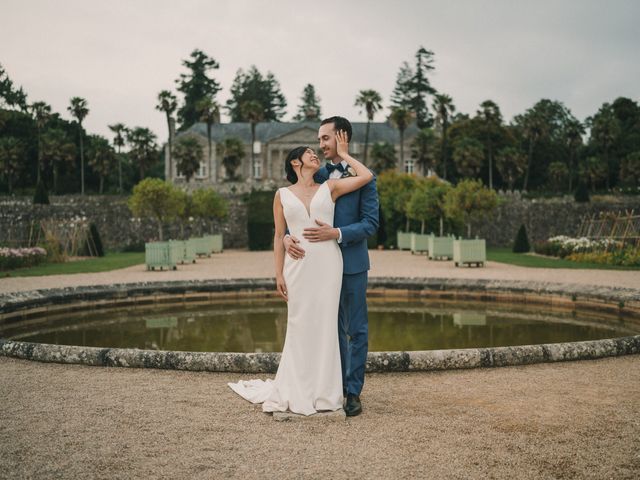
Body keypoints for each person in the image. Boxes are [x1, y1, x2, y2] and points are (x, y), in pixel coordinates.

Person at [228, 129, 373, 416]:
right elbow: (279, 234)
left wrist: (344, 154)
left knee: (328, 326)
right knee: (298, 324)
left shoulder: (329, 186)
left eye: (320, 145)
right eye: (310, 151)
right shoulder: (281, 194)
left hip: (330, 264)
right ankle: (298, 387)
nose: (316, 151)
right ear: (296, 163)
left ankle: (329, 392)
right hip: (298, 267)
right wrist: (278, 273)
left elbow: (367, 177)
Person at [284, 116, 379, 417]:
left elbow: (370, 224)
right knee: (328, 329)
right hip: (317, 268)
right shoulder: (317, 173)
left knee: (356, 330)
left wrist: (336, 234)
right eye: (320, 139)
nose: (320, 144)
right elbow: (295, 212)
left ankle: (353, 392)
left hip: (351, 264)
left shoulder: (362, 178)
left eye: (325, 138)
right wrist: (287, 238)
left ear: (341, 137)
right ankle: (331, 387)